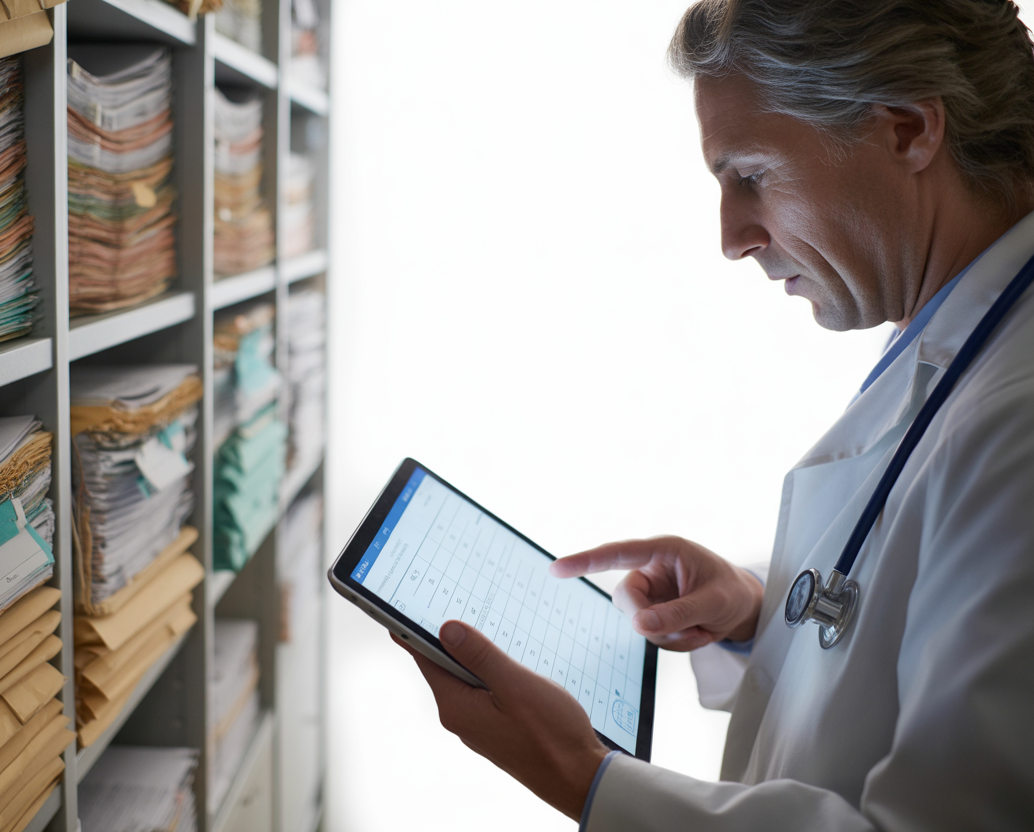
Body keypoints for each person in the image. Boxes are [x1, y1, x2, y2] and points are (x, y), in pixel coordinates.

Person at [397, 0, 1034, 828]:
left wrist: (584, 776)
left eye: (752, 174)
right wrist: (761, 610)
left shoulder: (1015, 418)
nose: (732, 236)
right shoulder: (959, 334)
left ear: (910, 129)